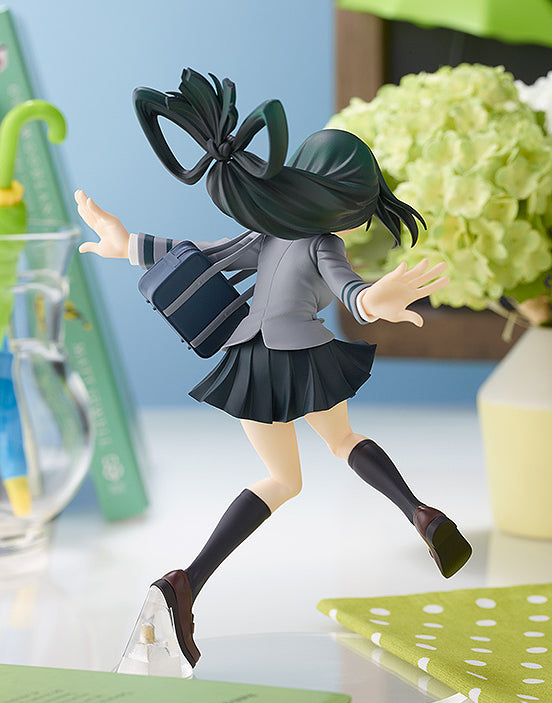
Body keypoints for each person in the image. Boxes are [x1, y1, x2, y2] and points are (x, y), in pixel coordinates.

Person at [75, 68, 471, 669]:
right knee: (342, 439)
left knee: (282, 479)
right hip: (304, 358)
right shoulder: (324, 243)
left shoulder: (268, 233)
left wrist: (128, 244)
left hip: (250, 359)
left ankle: (186, 583)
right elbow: (351, 292)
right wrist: (375, 302)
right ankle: (419, 511)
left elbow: (198, 255)